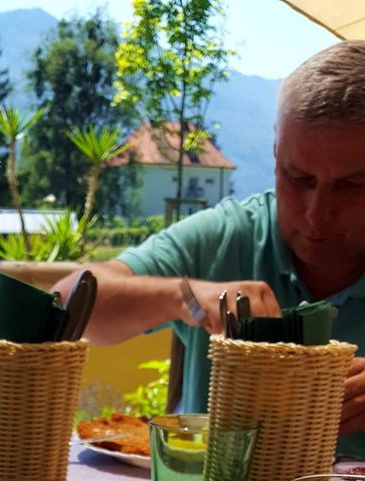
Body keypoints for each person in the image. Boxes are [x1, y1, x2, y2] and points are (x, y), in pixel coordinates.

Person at [55, 41, 365, 439]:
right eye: (298, 178)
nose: (317, 213)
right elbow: (65, 303)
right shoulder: (225, 237)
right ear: (274, 156)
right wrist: (185, 296)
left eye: (351, 185)